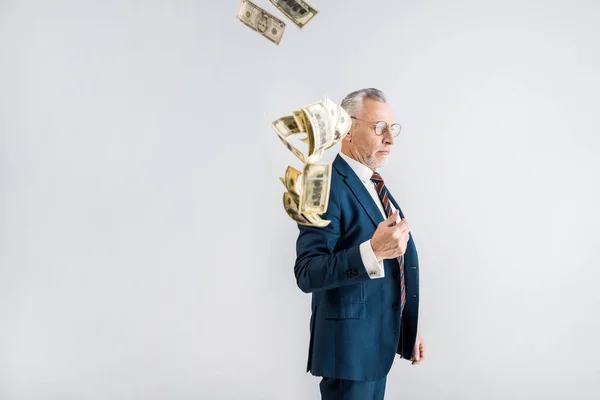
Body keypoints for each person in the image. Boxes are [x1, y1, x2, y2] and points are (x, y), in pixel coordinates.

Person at [293, 88, 425, 399]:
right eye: (379, 128)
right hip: (348, 354)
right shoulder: (320, 184)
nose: (390, 139)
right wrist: (372, 251)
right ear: (348, 129)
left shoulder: (374, 184)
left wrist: (406, 325)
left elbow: (395, 268)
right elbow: (308, 272)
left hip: (376, 347)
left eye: (392, 129)